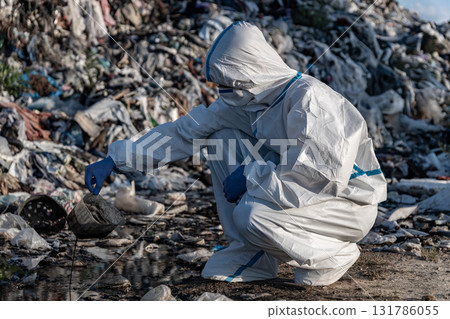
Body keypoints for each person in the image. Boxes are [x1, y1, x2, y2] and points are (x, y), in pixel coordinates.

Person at [85, 21, 387, 286]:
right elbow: (186, 131)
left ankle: (333, 253)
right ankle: (251, 255)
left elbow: (318, 177)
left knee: (251, 215)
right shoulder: (250, 102)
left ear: (250, 71)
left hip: (348, 203)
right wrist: (116, 159)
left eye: (227, 82)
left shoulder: (310, 101)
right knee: (220, 136)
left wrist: (251, 176)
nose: (222, 90)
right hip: (297, 189)